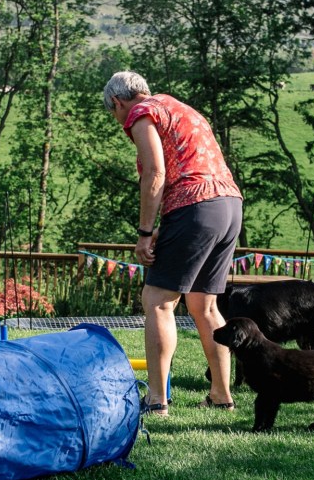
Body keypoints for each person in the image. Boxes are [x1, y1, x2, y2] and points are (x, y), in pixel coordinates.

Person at [103, 71, 243, 416]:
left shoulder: (141, 113)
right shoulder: (180, 108)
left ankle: (156, 400)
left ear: (117, 102)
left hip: (194, 206)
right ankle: (221, 395)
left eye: (113, 112)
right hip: (229, 205)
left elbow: (155, 173)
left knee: (158, 301)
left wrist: (145, 232)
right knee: (204, 305)